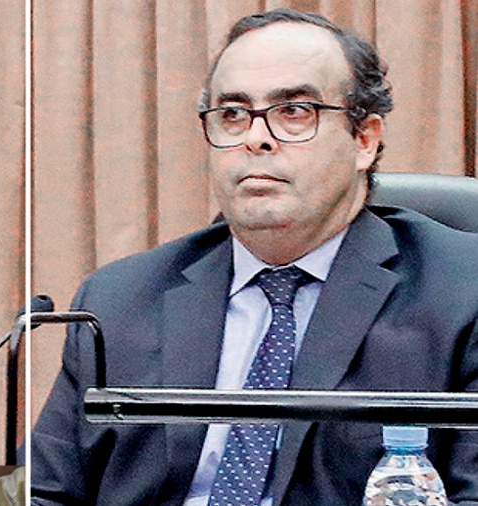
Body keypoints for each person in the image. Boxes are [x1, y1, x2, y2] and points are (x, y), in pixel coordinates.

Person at [31, 8, 478, 506]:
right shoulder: (119, 300)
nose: (255, 137)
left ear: (364, 140)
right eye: (232, 114)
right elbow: (40, 492)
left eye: (295, 112)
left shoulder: (462, 292)